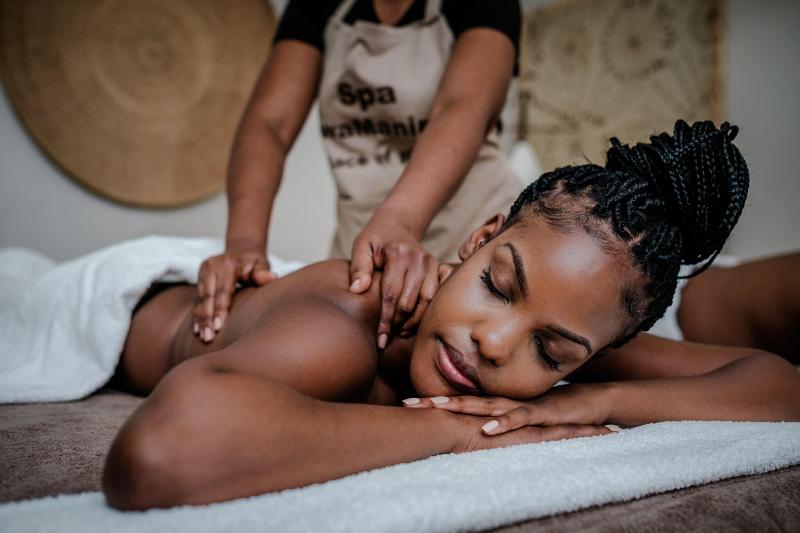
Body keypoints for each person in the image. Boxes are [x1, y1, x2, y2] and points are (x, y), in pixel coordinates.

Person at [102, 120, 800, 510]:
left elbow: (779, 385)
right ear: (477, 239)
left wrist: (588, 398)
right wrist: (458, 433)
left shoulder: (559, 335)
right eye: (497, 284)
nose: (494, 342)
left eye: (552, 353)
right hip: (129, 300)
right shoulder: (348, 323)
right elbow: (160, 453)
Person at [193, 0, 525, 351]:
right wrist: (244, 245)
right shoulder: (320, 7)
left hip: (468, 241)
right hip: (364, 253)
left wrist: (397, 221)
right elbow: (269, 123)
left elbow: (463, 107)